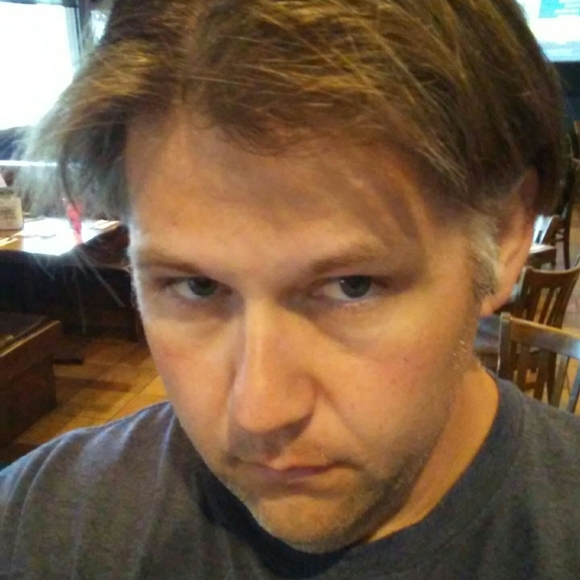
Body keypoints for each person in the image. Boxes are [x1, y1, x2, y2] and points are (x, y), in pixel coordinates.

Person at [1, 0, 579, 577]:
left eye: (352, 286)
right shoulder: (35, 523)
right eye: (197, 286)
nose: (259, 413)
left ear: (502, 237)